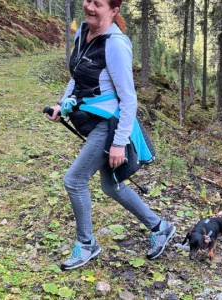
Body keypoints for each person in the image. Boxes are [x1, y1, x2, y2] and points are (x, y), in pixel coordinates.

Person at [45, 0, 175, 271]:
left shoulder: (115, 44)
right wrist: (62, 103)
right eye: (88, 0)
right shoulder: (83, 32)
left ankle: (87, 244)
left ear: (114, 10)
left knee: (74, 180)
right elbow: (77, 77)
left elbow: (129, 99)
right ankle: (160, 227)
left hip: (108, 123)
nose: (89, 6)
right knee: (110, 185)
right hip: (89, 119)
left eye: (98, 4)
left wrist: (118, 142)